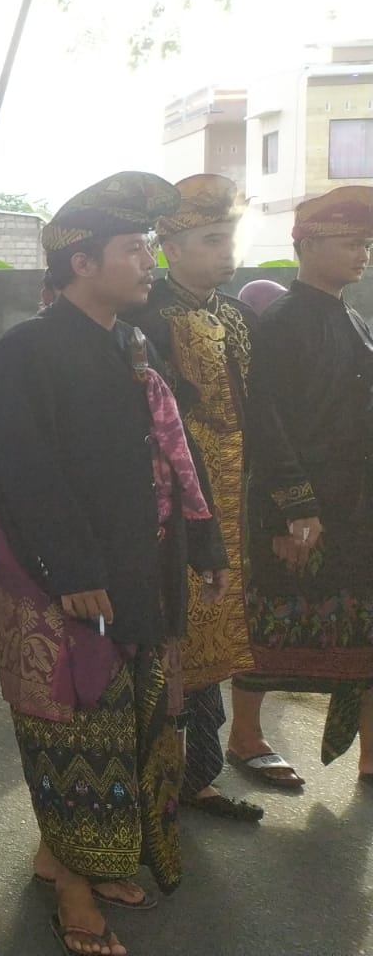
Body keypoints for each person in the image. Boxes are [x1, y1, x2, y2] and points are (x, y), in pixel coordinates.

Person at [0, 172, 228, 956]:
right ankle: (76, 891)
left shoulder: (134, 346)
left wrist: (204, 543)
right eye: (134, 248)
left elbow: (171, 457)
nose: (149, 260)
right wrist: (73, 570)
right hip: (64, 581)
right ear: (82, 263)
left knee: (130, 725)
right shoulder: (23, 353)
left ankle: (68, 858)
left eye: (149, 247)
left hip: (137, 570)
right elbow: (25, 474)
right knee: (76, 731)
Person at [126, 174, 272, 815]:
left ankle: (199, 775)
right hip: (174, 504)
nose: (225, 251)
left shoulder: (238, 315)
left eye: (229, 238)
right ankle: (157, 779)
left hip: (233, 502)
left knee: (217, 633)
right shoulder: (144, 317)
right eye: (211, 239)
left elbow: (259, 412)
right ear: (172, 248)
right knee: (173, 634)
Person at [242, 184, 373, 786]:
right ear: (310, 245)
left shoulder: (354, 319)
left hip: (356, 507)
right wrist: (291, 510)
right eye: (352, 243)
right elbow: (265, 424)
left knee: (364, 631)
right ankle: (245, 736)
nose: (363, 254)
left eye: (366, 245)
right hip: (303, 508)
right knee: (272, 623)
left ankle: (370, 754)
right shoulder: (281, 323)